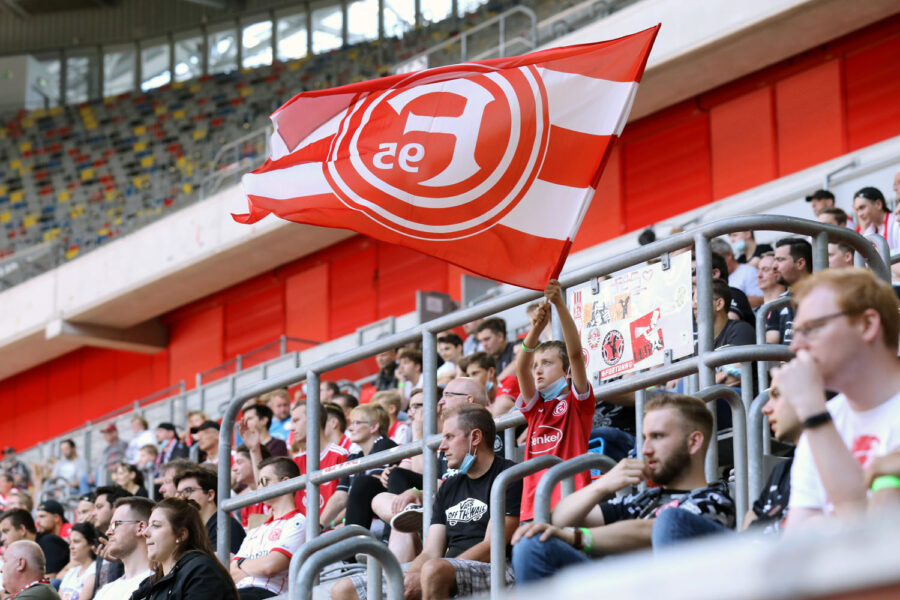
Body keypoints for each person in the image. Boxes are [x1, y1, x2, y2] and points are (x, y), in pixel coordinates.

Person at [510, 394, 734, 582]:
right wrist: (602, 486)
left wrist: (576, 538)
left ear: (693, 442)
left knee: (670, 520)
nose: (645, 449)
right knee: (532, 544)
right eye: (644, 438)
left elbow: (654, 530)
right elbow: (558, 518)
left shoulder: (715, 501)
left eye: (657, 437)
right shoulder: (641, 501)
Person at [331, 405, 522, 600]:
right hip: (443, 569)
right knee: (345, 589)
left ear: (475, 437)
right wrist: (409, 578)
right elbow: (431, 550)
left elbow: (492, 546)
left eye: (449, 437)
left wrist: (437, 570)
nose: (442, 447)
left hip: (494, 569)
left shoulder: (508, 476)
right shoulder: (449, 486)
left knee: (433, 571)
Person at [772, 268, 900, 526]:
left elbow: (863, 531)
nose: (795, 346)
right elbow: (797, 542)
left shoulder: (817, 420)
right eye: (795, 332)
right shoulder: (818, 429)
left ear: (867, 325)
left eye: (810, 329)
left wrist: (812, 411)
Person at [515, 279, 594, 522]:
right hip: (534, 504)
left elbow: (575, 355)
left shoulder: (577, 402)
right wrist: (536, 330)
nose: (537, 371)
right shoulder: (535, 407)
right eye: (536, 365)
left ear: (567, 372)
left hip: (573, 499)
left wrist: (559, 304)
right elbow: (521, 367)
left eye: (547, 364)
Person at [132, 498, 239, 600]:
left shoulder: (201, 571)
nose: (145, 533)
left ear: (181, 535)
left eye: (156, 525)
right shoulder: (150, 584)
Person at [230, 457, 306, 600]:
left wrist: (241, 563)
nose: (259, 488)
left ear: (285, 483)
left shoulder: (299, 522)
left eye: (264, 481)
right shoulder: (255, 530)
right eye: (258, 483)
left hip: (269, 594)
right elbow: (232, 573)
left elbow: (270, 566)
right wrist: (252, 566)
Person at [319, 404, 397, 530]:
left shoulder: (385, 445)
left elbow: (366, 491)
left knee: (364, 483)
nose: (350, 428)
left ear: (374, 427)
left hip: (383, 522)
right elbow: (340, 496)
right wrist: (319, 526)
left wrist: (338, 524)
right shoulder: (354, 456)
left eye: (356, 423)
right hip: (364, 522)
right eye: (351, 423)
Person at [744, 379, 802, 534]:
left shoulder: (835, 465)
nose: (765, 408)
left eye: (776, 396)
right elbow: (753, 515)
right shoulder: (782, 470)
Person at [287, 401, 349, 518]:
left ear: (313, 419)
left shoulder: (340, 455)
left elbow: (348, 501)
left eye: (296, 421)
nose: (291, 428)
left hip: (331, 530)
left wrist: (327, 525)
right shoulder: (296, 461)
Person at [93, 496, 154, 600]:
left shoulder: (160, 585)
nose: (108, 532)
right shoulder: (105, 591)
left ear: (141, 528)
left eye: (115, 524)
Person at [175, 467, 245, 556]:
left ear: (210, 495)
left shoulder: (226, 526)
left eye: (188, 491)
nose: (182, 498)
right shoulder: (192, 531)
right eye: (179, 494)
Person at [766, 237, 812, 344]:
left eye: (780, 260)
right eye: (774, 260)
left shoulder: (823, 296)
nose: (773, 266)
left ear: (800, 263)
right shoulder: (778, 302)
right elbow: (770, 343)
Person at [0, 509, 69, 578]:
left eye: (6, 531)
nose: (2, 538)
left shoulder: (49, 542)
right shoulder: (23, 551)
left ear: (22, 529)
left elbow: (49, 580)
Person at [89, 485, 130, 591]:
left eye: (99, 507)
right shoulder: (101, 543)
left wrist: (123, 559)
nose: (93, 513)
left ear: (116, 508)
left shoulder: (129, 545)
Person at [711, 238, 763, 307]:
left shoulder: (748, 271)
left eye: (717, 259)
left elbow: (761, 299)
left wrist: (733, 299)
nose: (714, 263)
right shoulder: (717, 277)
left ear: (728, 255)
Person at [58, 522, 98, 600]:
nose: (71, 547)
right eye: (70, 542)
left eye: (76, 542)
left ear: (91, 544)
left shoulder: (94, 570)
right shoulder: (71, 572)